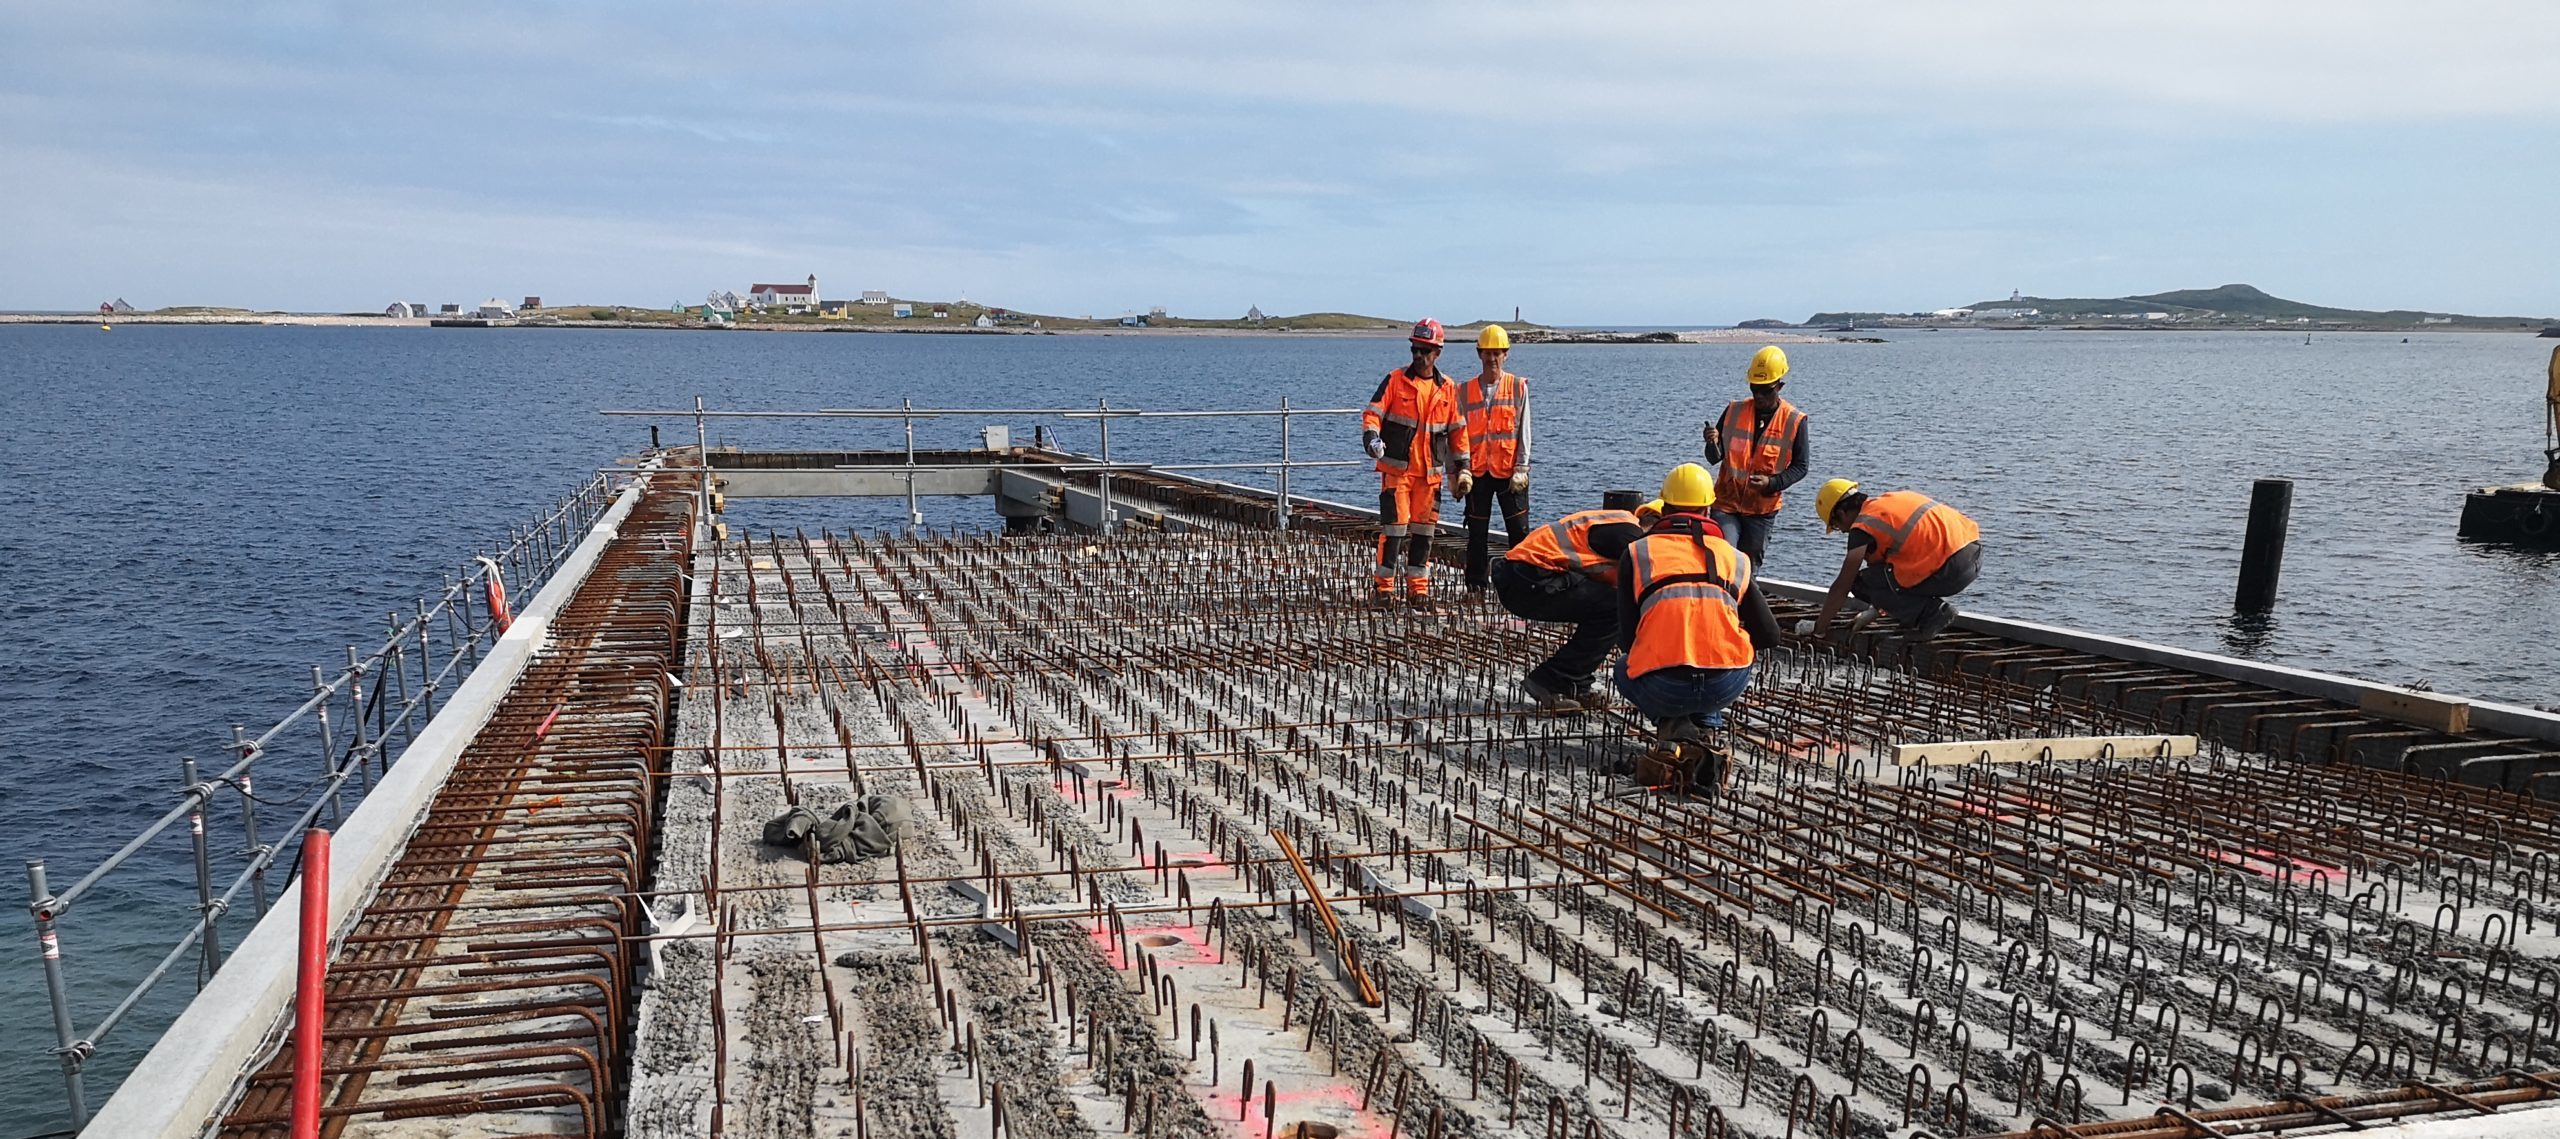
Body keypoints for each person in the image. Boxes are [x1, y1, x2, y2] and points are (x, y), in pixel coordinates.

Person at [1613, 464, 1781, 784]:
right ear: (1708, 508)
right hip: (1725, 685)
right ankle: (1705, 722)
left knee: (1624, 667)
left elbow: (1627, 638)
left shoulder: (1637, 552)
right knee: (1723, 650)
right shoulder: (1735, 558)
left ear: (1665, 506)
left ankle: (1673, 722)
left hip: (1664, 689)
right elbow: (1770, 634)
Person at [1361, 318, 1473, 605]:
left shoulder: (1448, 388)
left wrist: (1463, 470)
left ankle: (1418, 589)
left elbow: (1458, 433)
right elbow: (1372, 414)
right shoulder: (1396, 380)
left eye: (1425, 350)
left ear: (1438, 353)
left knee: (1424, 534)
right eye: (1415, 350)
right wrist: (1372, 440)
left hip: (1429, 476)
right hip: (1397, 472)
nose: (1419, 356)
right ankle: (1384, 589)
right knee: (1394, 531)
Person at [1493, 502, 1643, 711]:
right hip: (1527, 580)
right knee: (1613, 608)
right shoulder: (1629, 537)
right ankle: (1550, 680)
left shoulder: (1620, 525)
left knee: (1607, 608)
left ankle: (1576, 685)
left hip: (1524, 577)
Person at [1805, 479, 1982, 641]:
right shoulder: (1890, 501)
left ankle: (1933, 614)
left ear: (1842, 512)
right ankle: (1916, 615)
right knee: (1881, 574)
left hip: (1949, 570)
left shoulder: (1862, 527)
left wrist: (1819, 628)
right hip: (1973, 556)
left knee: (1859, 583)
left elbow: (1843, 585)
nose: (1842, 531)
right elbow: (1884, 575)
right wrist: (1874, 611)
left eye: (1836, 525)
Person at [1701, 345, 1809, 567]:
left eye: (1765, 390)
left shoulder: (1794, 420)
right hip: (1725, 503)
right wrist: (1711, 442)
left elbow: (1801, 466)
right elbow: (1714, 458)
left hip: (1761, 509)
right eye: (1754, 388)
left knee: (1748, 568)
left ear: (1780, 386)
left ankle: (1743, 601)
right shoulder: (1734, 410)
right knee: (1724, 558)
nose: (1758, 395)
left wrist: (1772, 482)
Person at [1459, 324, 1533, 592]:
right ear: (1479, 354)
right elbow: (1458, 434)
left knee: (1519, 532)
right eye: (1487, 353)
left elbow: (1524, 429)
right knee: (1477, 534)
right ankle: (1476, 585)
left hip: (1510, 472)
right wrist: (1460, 470)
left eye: (1497, 353)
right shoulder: (1464, 391)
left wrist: (1522, 468)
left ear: (1506, 355)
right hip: (1477, 473)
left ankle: (1522, 585)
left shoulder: (1517, 387)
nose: (1492, 358)